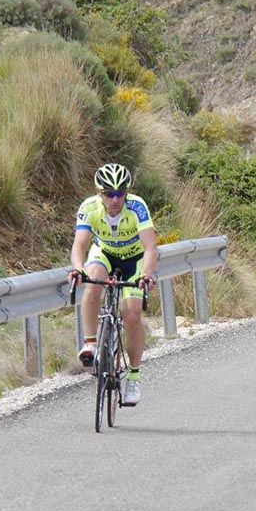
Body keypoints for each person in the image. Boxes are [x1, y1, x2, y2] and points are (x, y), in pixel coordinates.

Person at [68, 163, 158, 406]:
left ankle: (134, 377)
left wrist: (146, 275)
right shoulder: (89, 208)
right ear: (100, 193)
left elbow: (150, 247)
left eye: (120, 193)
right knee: (92, 282)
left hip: (134, 260)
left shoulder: (137, 207)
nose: (115, 199)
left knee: (132, 315)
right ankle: (90, 344)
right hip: (105, 253)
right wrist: (78, 268)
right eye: (109, 194)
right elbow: (80, 244)